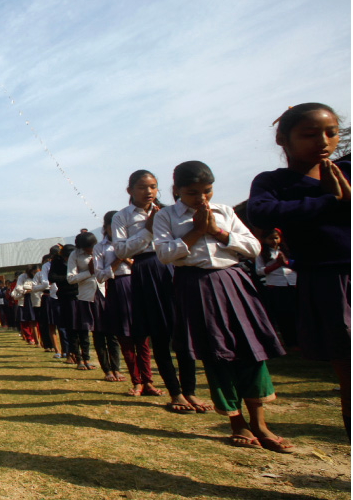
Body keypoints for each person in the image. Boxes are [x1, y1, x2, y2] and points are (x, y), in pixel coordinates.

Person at [155, 161, 290, 451]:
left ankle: (260, 422)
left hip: (233, 281)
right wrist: (195, 232)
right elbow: (165, 255)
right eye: (193, 193)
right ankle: (236, 422)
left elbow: (252, 247)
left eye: (207, 191)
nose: (202, 199)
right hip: (195, 286)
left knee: (251, 350)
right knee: (217, 354)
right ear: (177, 190)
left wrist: (217, 232)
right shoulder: (166, 216)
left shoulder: (226, 212)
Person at [247, 102, 350, 435]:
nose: (323, 141)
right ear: (283, 139)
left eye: (331, 133)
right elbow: (261, 213)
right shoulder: (274, 184)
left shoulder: (346, 169)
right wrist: (328, 201)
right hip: (327, 278)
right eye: (309, 134)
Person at [112, 170, 204, 412]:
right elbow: (121, 252)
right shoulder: (122, 217)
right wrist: (148, 231)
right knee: (159, 335)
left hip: (174, 268)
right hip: (145, 271)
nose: (149, 192)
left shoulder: (170, 211)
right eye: (142, 187)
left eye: (153, 186)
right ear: (130, 190)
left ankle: (190, 391)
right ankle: (175, 393)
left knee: (183, 333)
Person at [90, 221, 124, 383]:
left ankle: (116, 368)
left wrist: (125, 258)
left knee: (113, 335)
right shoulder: (100, 248)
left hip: (114, 292)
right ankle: (107, 369)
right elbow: (99, 275)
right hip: (94, 295)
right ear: (105, 229)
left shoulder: (128, 242)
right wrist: (117, 261)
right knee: (99, 334)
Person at [254, 228, 298, 347]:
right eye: (271, 238)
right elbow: (259, 271)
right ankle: (290, 342)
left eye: (276, 238)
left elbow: (299, 265)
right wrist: (276, 265)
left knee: (297, 313)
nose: (274, 241)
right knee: (283, 315)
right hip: (276, 286)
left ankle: (302, 340)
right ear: (264, 239)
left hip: (292, 283)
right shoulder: (262, 253)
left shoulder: (286, 250)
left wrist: (286, 263)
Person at [66, 237, 98, 370]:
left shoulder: (99, 250)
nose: (91, 251)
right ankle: (81, 359)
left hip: (101, 293)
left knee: (103, 331)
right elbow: (71, 278)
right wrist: (89, 272)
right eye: (88, 248)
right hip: (82, 296)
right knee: (81, 330)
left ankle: (107, 365)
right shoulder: (75, 255)